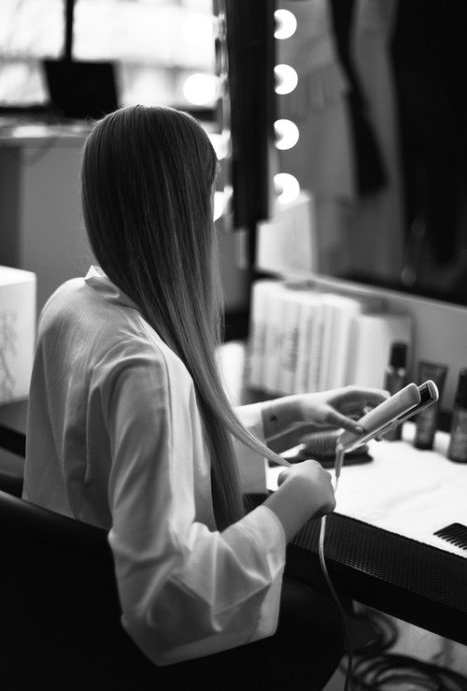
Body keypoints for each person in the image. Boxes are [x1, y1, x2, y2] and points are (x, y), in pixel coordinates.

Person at [23, 105, 388, 689]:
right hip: (121, 648)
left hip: (60, 615)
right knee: (323, 624)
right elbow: (167, 600)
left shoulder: (69, 305)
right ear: (185, 212)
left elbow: (136, 446)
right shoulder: (146, 365)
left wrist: (285, 414)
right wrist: (293, 501)